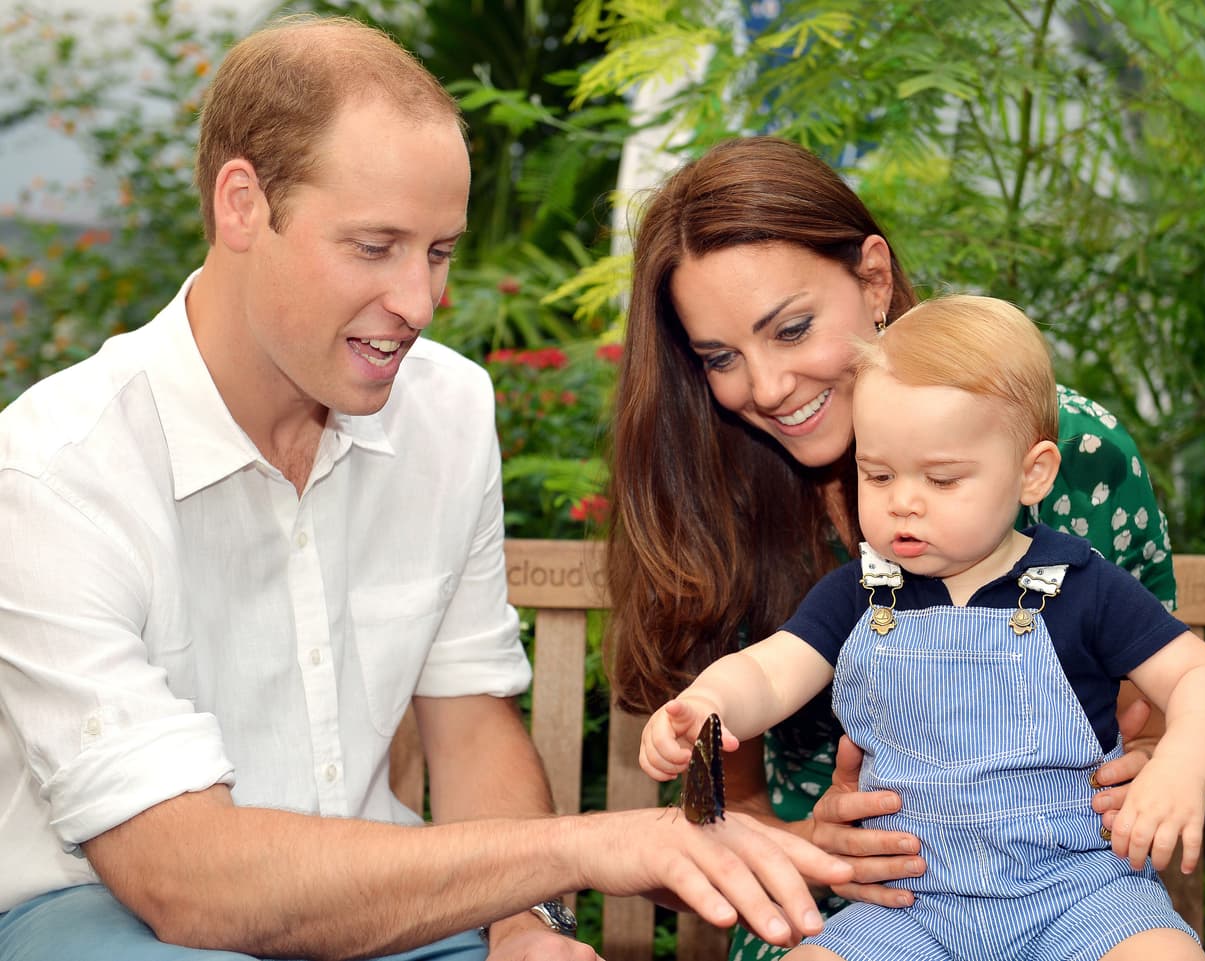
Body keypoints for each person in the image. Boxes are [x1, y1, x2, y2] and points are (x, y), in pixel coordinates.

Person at [0, 19, 859, 961]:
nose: (420, 301)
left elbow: (469, 720)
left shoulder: (446, 408)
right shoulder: (54, 471)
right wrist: (579, 846)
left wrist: (527, 923)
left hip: (399, 907)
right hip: (112, 918)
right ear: (242, 205)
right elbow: (184, 880)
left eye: (440, 252)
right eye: (376, 247)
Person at [604, 136, 1179, 961]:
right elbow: (712, 821)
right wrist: (810, 844)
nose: (764, 388)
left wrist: (1158, 761)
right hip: (848, 913)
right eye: (721, 358)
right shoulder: (712, 496)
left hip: (1065, 895)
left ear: (873, 279)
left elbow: (1163, 706)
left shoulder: (1064, 451)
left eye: (792, 328)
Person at [640, 294, 1205, 961]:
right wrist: (710, 704)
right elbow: (768, 669)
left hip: (1080, 891)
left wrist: (1183, 763)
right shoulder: (863, 593)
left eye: (942, 477)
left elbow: (1200, 674)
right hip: (910, 905)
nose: (903, 499)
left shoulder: (1081, 585)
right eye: (878, 472)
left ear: (1031, 473)